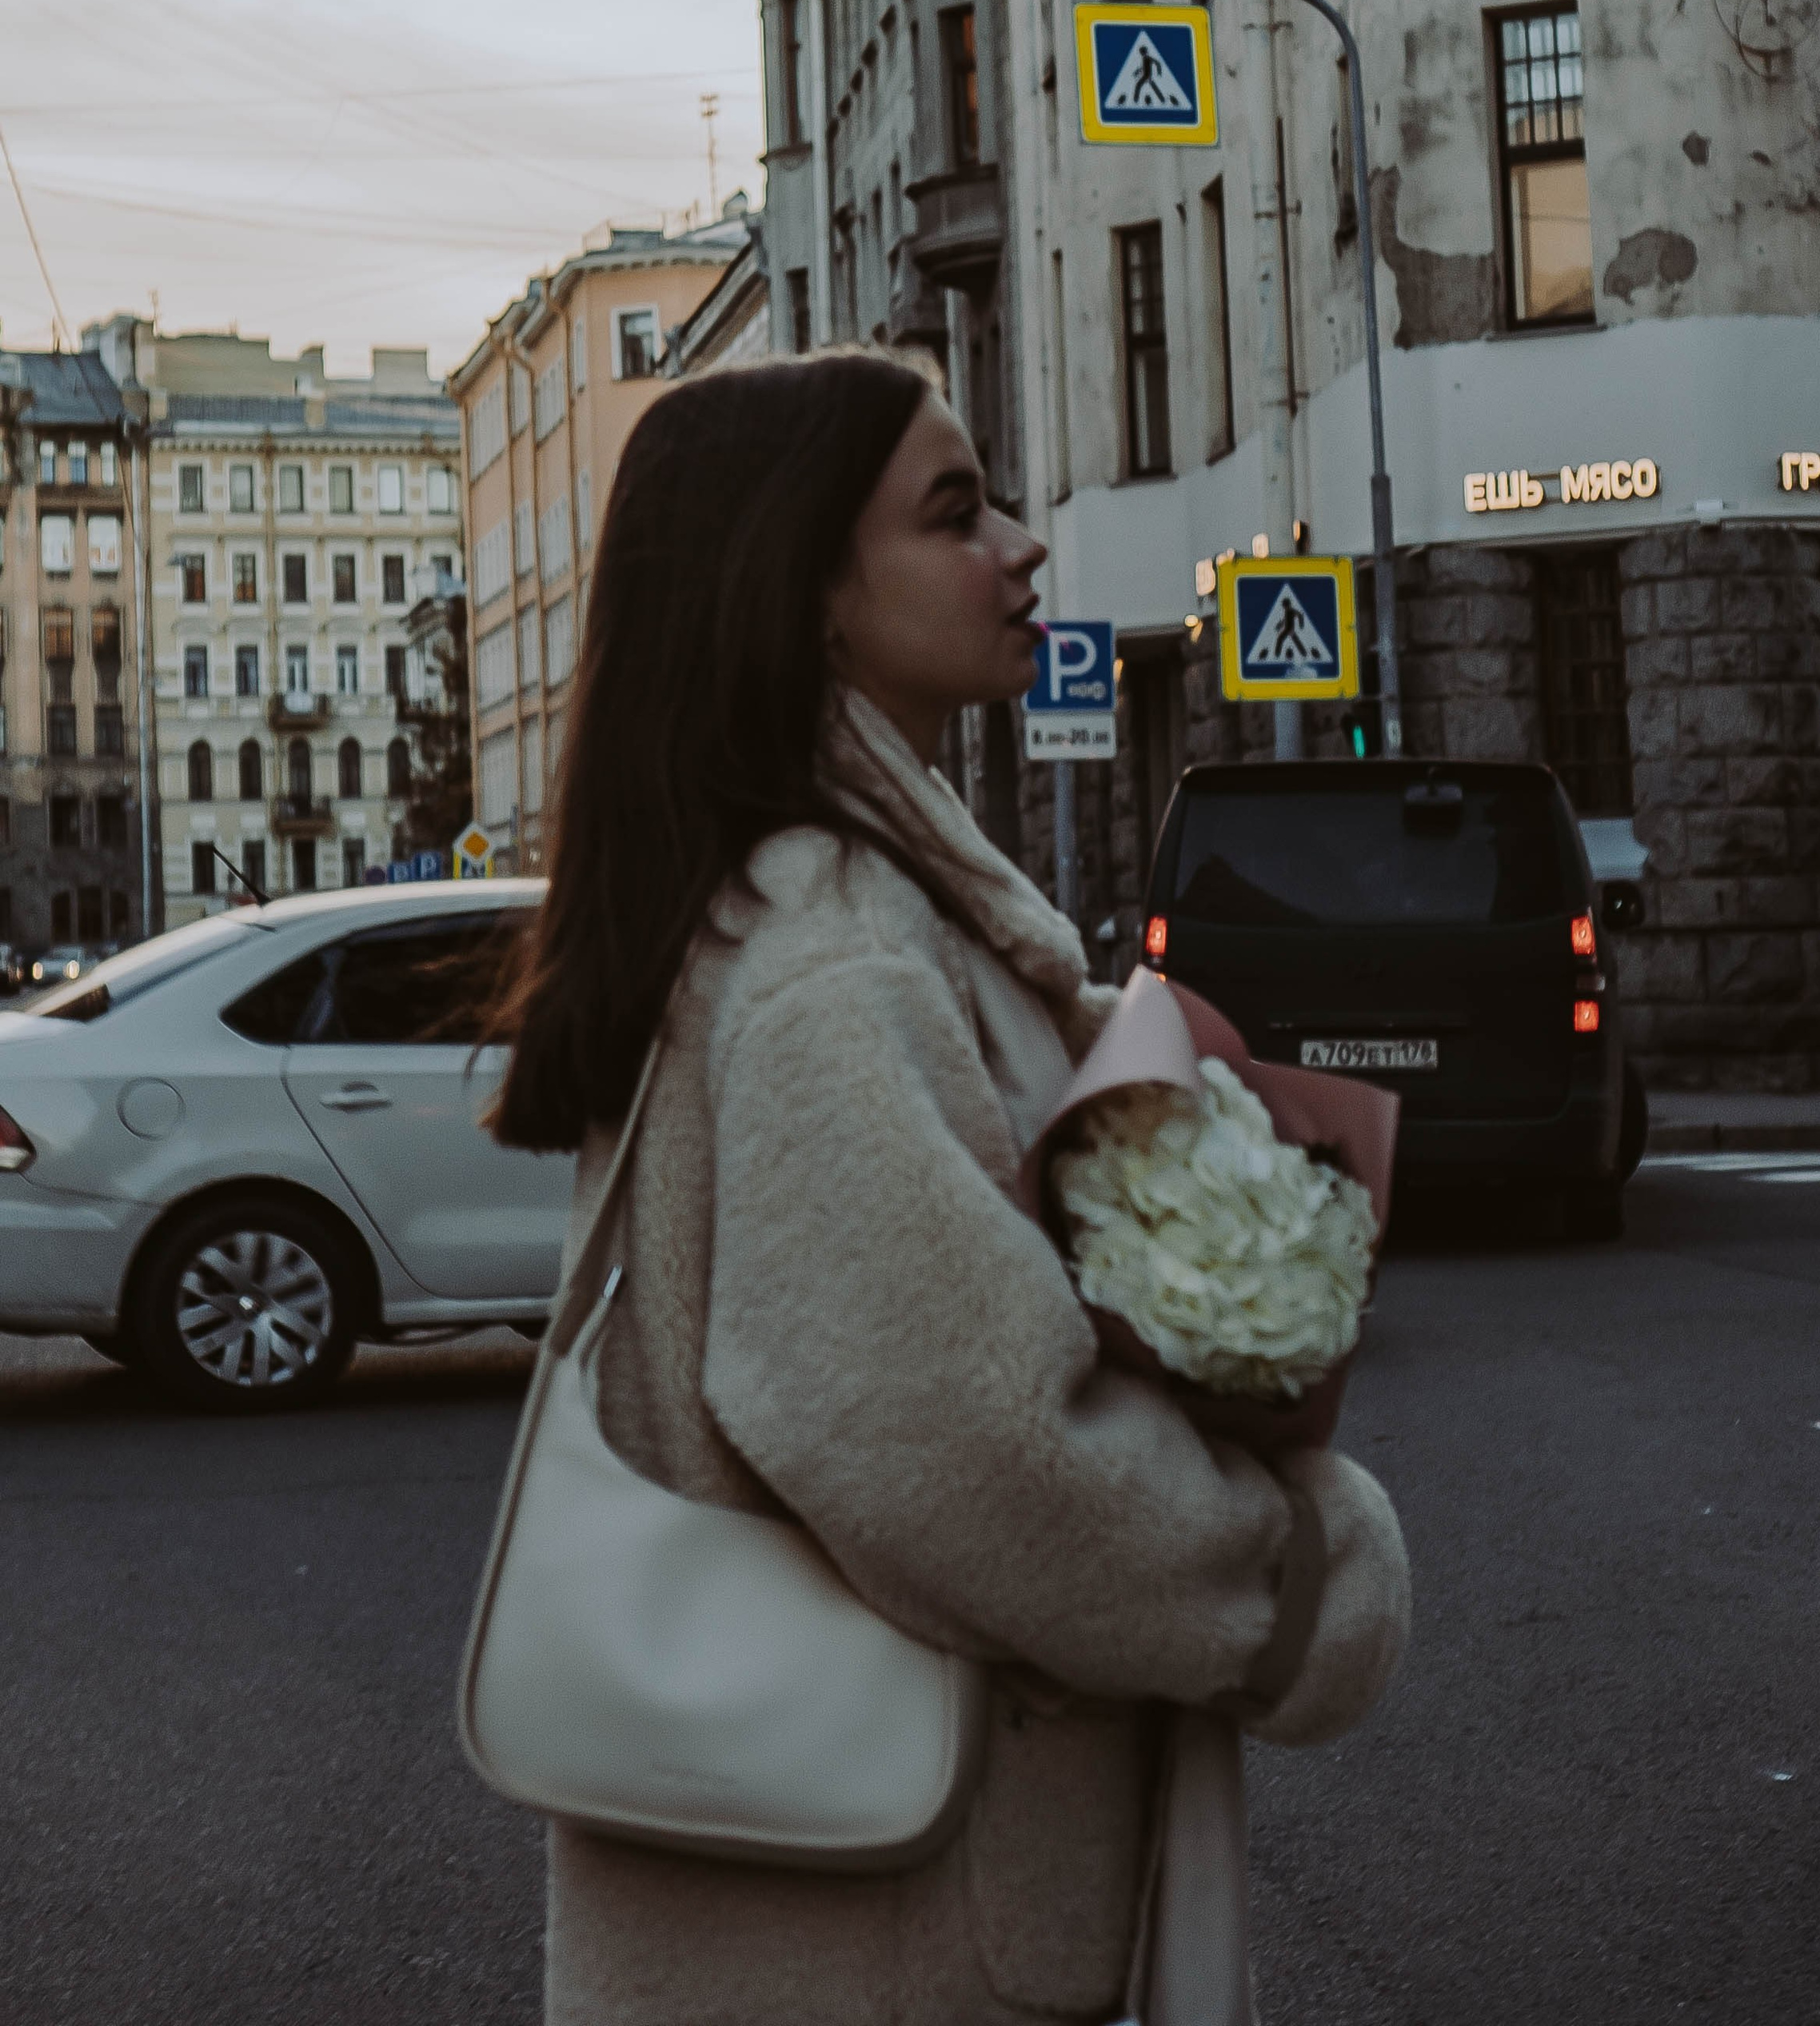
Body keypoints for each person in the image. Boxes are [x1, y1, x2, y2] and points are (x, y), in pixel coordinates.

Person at [489, 350, 1410, 2026]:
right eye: (952, 511)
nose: (1019, 545)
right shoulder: (831, 948)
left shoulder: (822, 910)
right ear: (811, 595)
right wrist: (1292, 1574)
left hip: (819, 1921)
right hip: (875, 1946)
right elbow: (963, 1449)